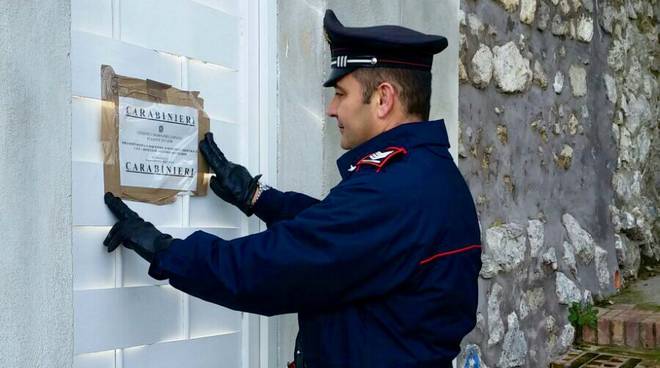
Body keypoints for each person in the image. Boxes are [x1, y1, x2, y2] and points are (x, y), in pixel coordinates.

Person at [103, 9, 482, 368]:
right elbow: (348, 239)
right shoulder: (428, 174)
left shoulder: (392, 190)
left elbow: (271, 269)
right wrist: (260, 199)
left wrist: (165, 250)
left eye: (341, 93)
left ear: (383, 99)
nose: (333, 109)